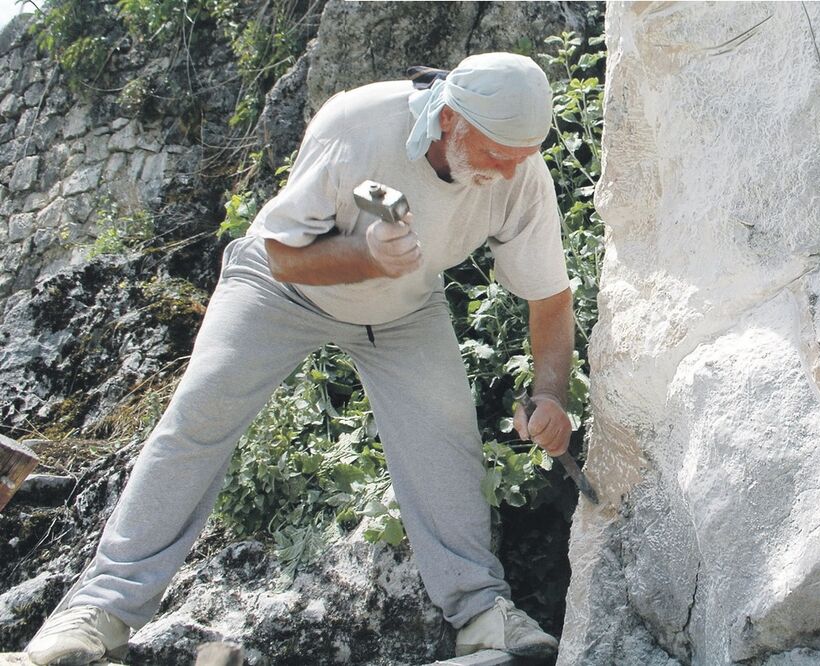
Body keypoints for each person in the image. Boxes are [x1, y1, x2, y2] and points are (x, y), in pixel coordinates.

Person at [25, 52, 576, 665]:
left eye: (523, 154)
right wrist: (366, 256)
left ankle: (481, 613)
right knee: (199, 417)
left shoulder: (521, 172)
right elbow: (285, 256)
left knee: (447, 440)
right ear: (449, 118)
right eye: (497, 152)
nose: (509, 170)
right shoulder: (356, 126)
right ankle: (98, 609)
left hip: (402, 308)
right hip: (279, 289)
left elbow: (550, 297)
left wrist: (550, 394)